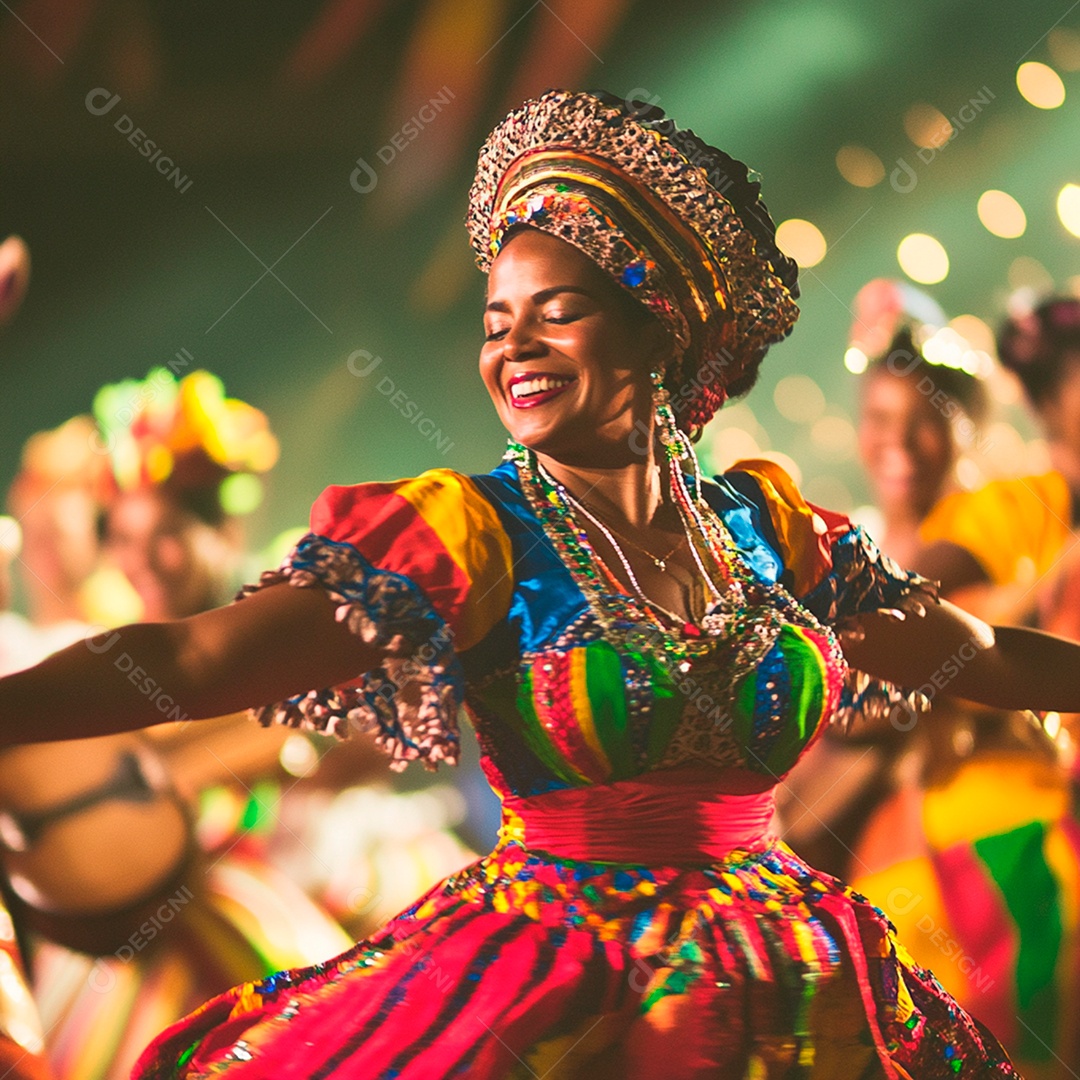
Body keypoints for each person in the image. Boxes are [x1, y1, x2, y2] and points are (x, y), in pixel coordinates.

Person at [2, 87, 1075, 1077]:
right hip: (565, 995)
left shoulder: (768, 530)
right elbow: (192, 659)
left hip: (793, 980)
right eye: (494, 322)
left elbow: (965, 652)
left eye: (554, 311)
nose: (513, 344)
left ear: (659, 326)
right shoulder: (469, 536)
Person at [782, 289, 1078, 1077]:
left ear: (965, 426)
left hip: (1002, 834)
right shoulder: (843, 555)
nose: (900, 441)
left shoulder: (1005, 516)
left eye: (924, 417)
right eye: (880, 419)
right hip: (895, 877)